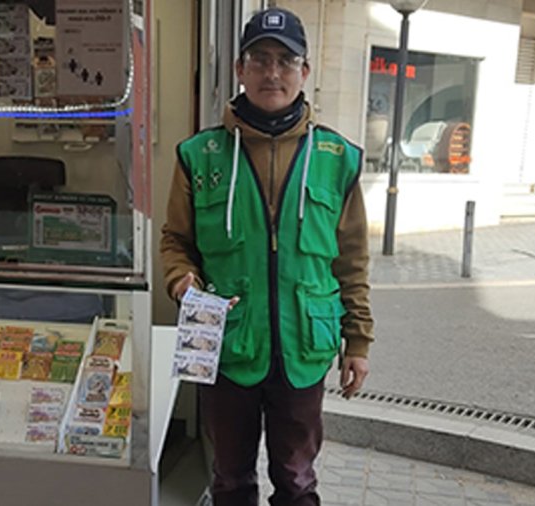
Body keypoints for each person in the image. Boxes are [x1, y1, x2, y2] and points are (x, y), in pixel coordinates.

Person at [160, 7, 374, 506]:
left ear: (304, 71)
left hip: (304, 349)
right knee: (230, 480)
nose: (272, 73)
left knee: (297, 481)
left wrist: (358, 341)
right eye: (259, 59)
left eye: (285, 60)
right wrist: (181, 279)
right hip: (229, 346)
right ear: (240, 69)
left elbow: (352, 261)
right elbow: (175, 241)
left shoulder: (338, 158)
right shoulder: (200, 155)